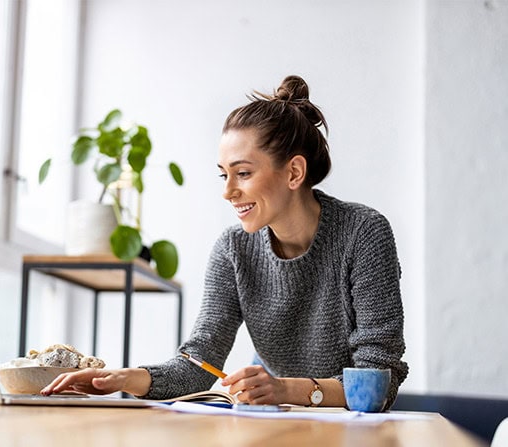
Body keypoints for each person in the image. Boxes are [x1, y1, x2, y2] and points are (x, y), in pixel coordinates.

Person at [41, 75, 409, 409]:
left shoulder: (364, 233)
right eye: (223, 176)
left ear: (294, 172)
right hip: (275, 422)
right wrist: (125, 379)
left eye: (243, 173)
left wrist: (284, 390)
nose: (228, 192)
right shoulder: (233, 249)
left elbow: (379, 380)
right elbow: (200, 363)